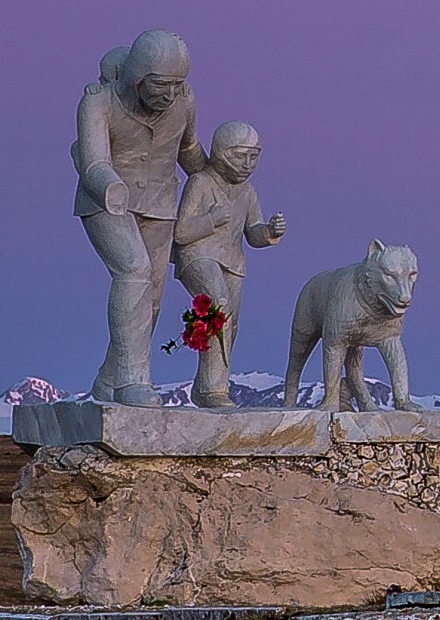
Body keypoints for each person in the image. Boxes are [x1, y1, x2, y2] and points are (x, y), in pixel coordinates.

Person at [75, 29, 206, 403]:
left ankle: (106, 387)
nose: (169, 94)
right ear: (137, 78)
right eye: (160, 85)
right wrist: (110, 186)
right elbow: (94, 162)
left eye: (177, 85)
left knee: (150, 301)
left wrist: (218, 175)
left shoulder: (185, 102)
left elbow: (189, 150)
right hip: (106, 201)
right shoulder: (98, 103)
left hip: (161, 206)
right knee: (134, 273)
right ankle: (134, 382)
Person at [171, 120, 287, 409]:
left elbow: (253, 233)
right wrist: (211, 220)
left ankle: (204, 387)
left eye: (253, 156)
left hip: (233, 262)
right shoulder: (200, 182)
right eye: (239, 156)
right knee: (217, 308)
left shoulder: (247, 192)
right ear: (221, 152)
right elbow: (181, 232)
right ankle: (214, 390)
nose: (247, 164)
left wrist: (270, 231)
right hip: (198, 255)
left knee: (229, 326)